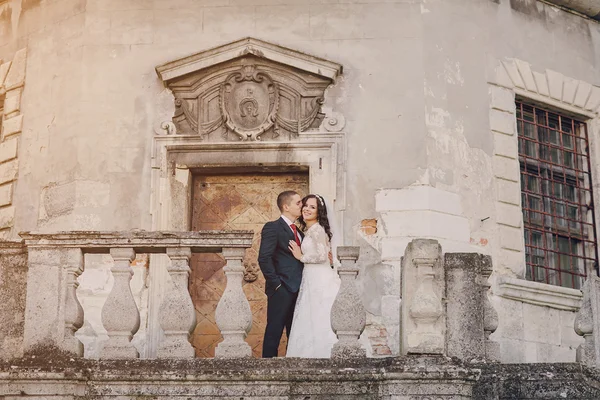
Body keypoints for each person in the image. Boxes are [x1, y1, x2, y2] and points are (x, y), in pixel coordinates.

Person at [286, 194, 341, 358]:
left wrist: (300, 256)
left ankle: (324, 353)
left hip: (320, 278)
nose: (307, 209)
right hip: (311, 277)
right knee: (312, 314)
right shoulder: (310, 231)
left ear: (319, 212)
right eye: (306, 205)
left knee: (320, 313)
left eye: (312, 207)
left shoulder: (317, 230)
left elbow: (321, 257)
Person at [257, 190, 304, 358]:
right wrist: (276, 284)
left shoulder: (299, 232)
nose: (302, 206)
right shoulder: (273, 227)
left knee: (296, 332)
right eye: (298, 203)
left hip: (300, 290)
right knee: (274, 330)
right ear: (286, 206)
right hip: (282, 288)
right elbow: (264, 258)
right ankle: (267, 369)